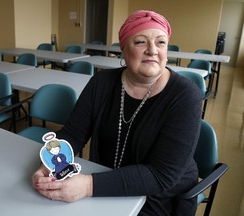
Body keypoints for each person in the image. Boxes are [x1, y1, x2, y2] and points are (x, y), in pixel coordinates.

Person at [32, 10, 202, 216]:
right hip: (107, 177)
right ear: (123, 49)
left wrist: (87, 186)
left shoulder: (185, 96)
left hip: (159, 195)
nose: (152, 50)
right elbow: (73, 134)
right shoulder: (101, 82)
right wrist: (49, 162)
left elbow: (160, 176)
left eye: (161, 42)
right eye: (140, 42)